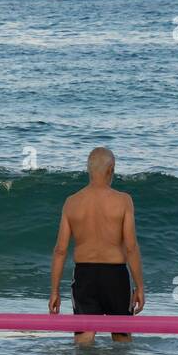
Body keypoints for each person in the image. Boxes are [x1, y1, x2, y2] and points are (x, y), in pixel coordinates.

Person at [48, 147, 145, 344]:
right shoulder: (123, 201)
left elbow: (60, 250)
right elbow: (131, 247)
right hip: (116, 276)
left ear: (88, 170)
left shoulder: (72, 202)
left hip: (84, 276)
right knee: (121, 337)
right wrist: (139, 287)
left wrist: (54, 291)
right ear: (111, 170)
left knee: (84, 338)